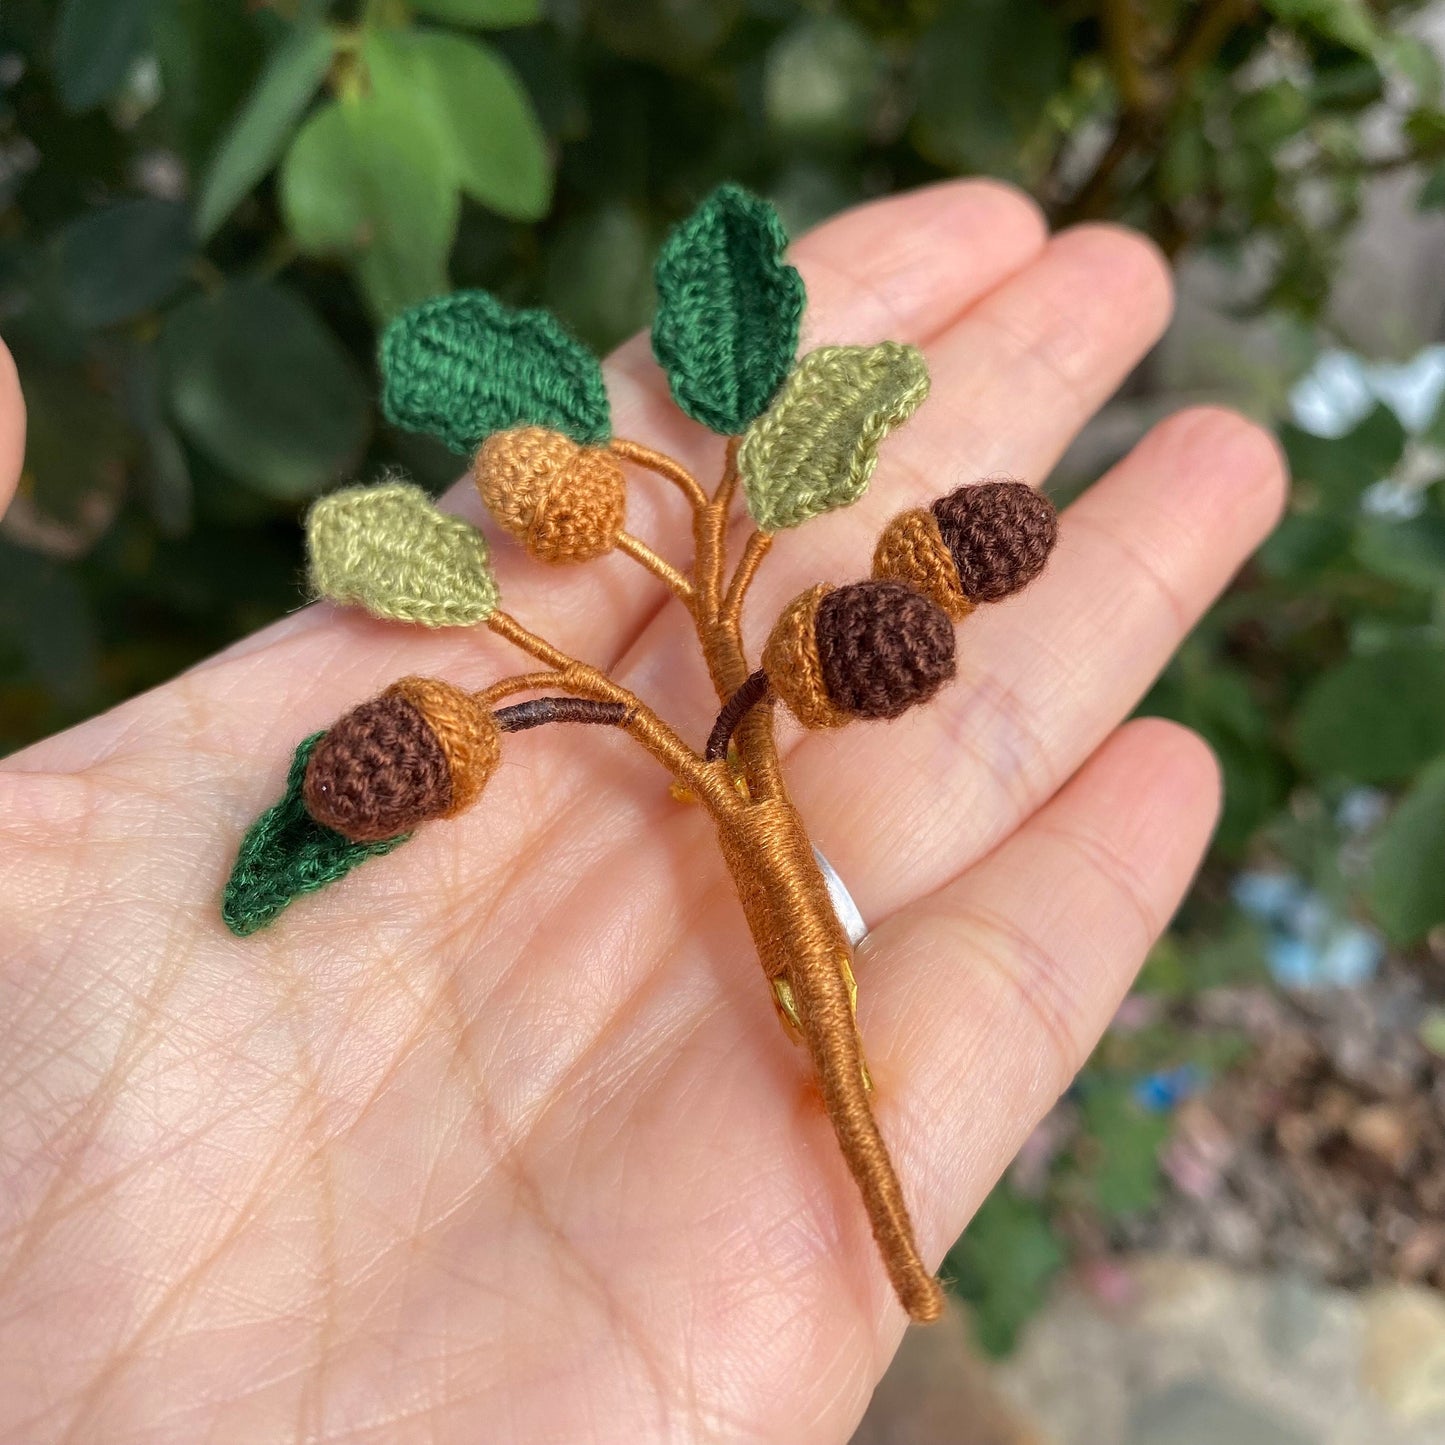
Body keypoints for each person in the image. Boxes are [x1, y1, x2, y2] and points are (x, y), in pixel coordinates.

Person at [0, 180, 1286, 1443]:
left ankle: (881, 1200)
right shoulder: (611, 579)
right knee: (538, 714)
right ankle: (877, 1196)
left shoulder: (776, 582)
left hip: (782, 680)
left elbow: (771, 666)